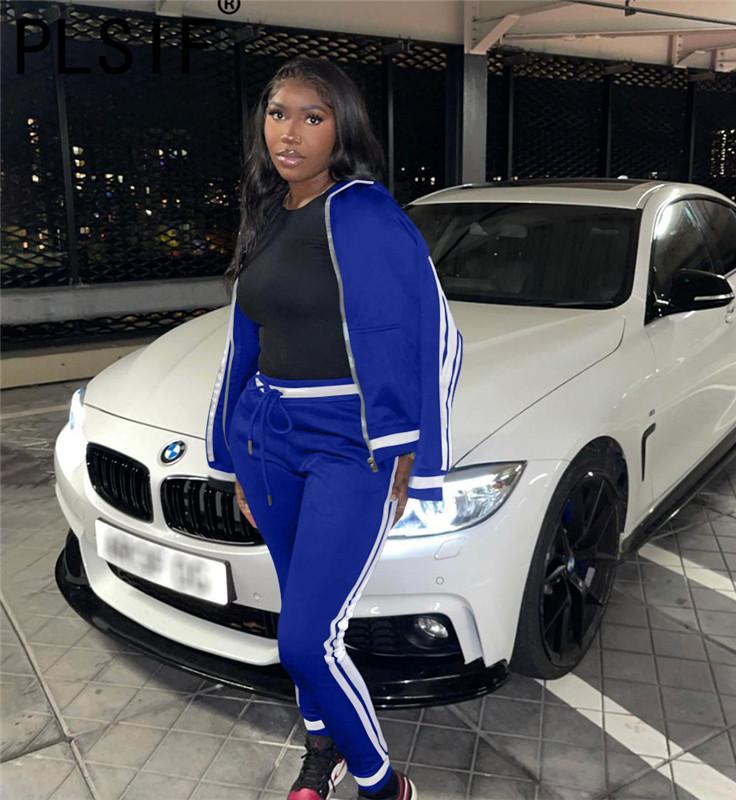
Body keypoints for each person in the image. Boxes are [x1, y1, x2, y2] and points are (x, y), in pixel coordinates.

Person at [205, 55, 464, 800]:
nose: (289, 133)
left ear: (340, 130)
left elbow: (429, 336)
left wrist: (409, 449)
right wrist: (233, 455)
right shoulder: (268, 214)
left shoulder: (364, 213)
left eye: (312, 117)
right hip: (267, 437)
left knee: (304, 639)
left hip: (349, 446)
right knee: (304, 624)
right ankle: (323, 752)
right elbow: (245, 341)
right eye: (278, 113)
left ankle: (383, 784)